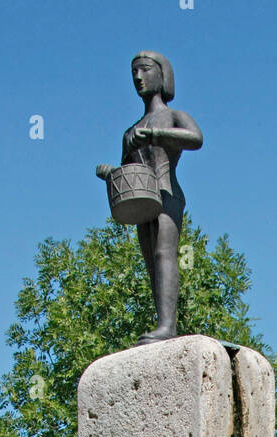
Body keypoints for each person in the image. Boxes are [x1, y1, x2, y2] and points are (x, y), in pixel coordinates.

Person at [97, 52, 203, 344]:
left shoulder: (172, 116)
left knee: (163, 254)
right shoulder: (130, 131)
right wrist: (111, 173)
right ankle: (161, 323)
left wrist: (156, 134)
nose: (138, 77)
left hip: (167, 193)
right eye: (134, 72)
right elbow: (128, 170)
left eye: (144, 70)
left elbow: (196, 138)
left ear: (162, 74)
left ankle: (168, 326)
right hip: (141, 197)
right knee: (150, 261)